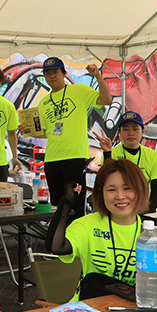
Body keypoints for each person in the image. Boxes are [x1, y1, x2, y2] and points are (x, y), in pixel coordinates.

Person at [48, 158, 150, 300]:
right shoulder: (87, 225)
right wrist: (66, 203)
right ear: (101, 193)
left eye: (127, 188)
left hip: (135, 308)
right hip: (89, 307)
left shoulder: (153, 232)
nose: (120, 196)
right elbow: (56, 247)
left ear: (141, 189)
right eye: (111, 190)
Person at [35, 57, 111, 217]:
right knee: (57, 208)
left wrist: (98, 76)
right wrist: (27, 131)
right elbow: (46, 132)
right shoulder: (43, 102)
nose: (52, 76)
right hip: (51, 159)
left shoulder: (79, 91)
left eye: (55, 72)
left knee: (75, 207)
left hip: (74, 158)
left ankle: (74, 234)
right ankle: (59, 234)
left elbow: (106, 99)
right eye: (48, 73)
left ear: (64, 73)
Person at [96, 111, 157, 212]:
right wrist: (107, 152)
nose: (131, 133)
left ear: (143, 131)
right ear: (119, 132)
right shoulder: (111, 153)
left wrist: (148, 212)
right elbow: (106, 180)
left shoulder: (154, 156)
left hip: (144, 205)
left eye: (135, 129)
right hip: (120, 204)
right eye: (126, 129)